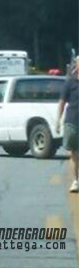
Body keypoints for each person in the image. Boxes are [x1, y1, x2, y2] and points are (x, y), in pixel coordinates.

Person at [57, 56, 79, 193]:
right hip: (72, 123)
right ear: (77, 67)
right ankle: (76, 181)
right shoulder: (69, 83)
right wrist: (57, 121)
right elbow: (62, 102)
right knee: (74, 154)